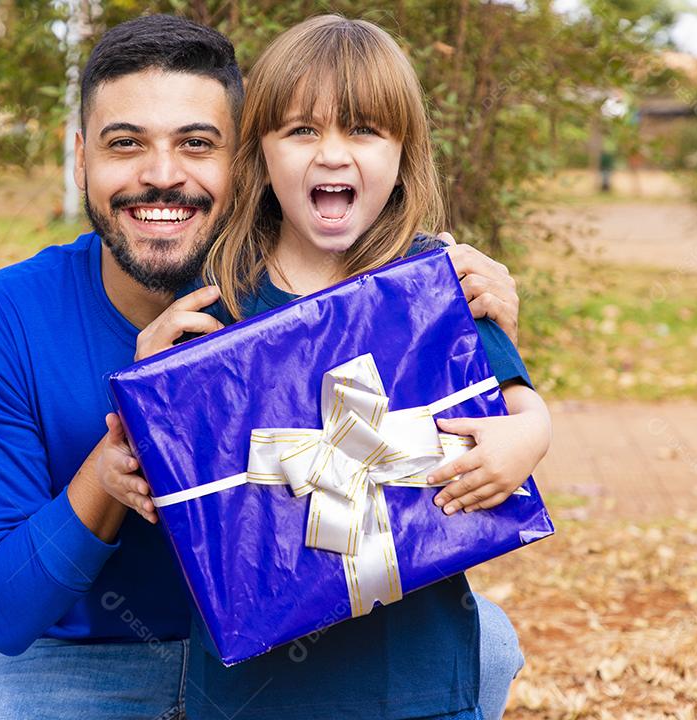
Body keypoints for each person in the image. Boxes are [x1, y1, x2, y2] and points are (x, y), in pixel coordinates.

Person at [0, 14, 523, 719]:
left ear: (245, 158)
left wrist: (467, 325)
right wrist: (114, 459)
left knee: (484, 642)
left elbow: (457, 422)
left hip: (297, 642)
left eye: (196, 144)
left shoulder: (334, 293)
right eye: (126, 145)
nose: (161, 175)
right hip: (94, 658)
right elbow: (0, 611)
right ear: (80, 154)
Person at [99, 16, 550, 720]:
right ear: (261, 153)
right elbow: (185, 484)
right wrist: (155, 405)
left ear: (405, 152)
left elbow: (525, 407)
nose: (332, 154)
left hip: (418, 682)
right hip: (252, 696)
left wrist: (525, 441)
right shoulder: (218, 297)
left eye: (364, 130)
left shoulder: (438, 283)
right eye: (302, 131)